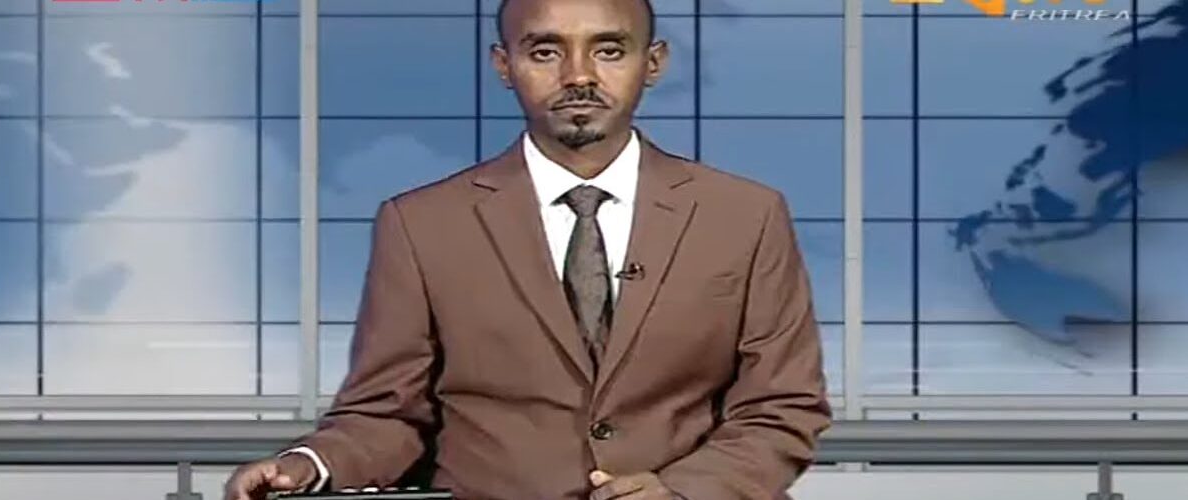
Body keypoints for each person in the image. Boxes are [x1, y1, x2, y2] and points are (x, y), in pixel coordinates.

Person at [223, 0, 831, 498]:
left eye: (609, 50)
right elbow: (388, 414)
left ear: (653, 62)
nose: (578, 76)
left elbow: (782, 407)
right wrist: (307, 465)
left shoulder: (745, 216)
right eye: (545, 51)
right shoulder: (420, 225)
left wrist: (682, 491)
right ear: (503, 64)